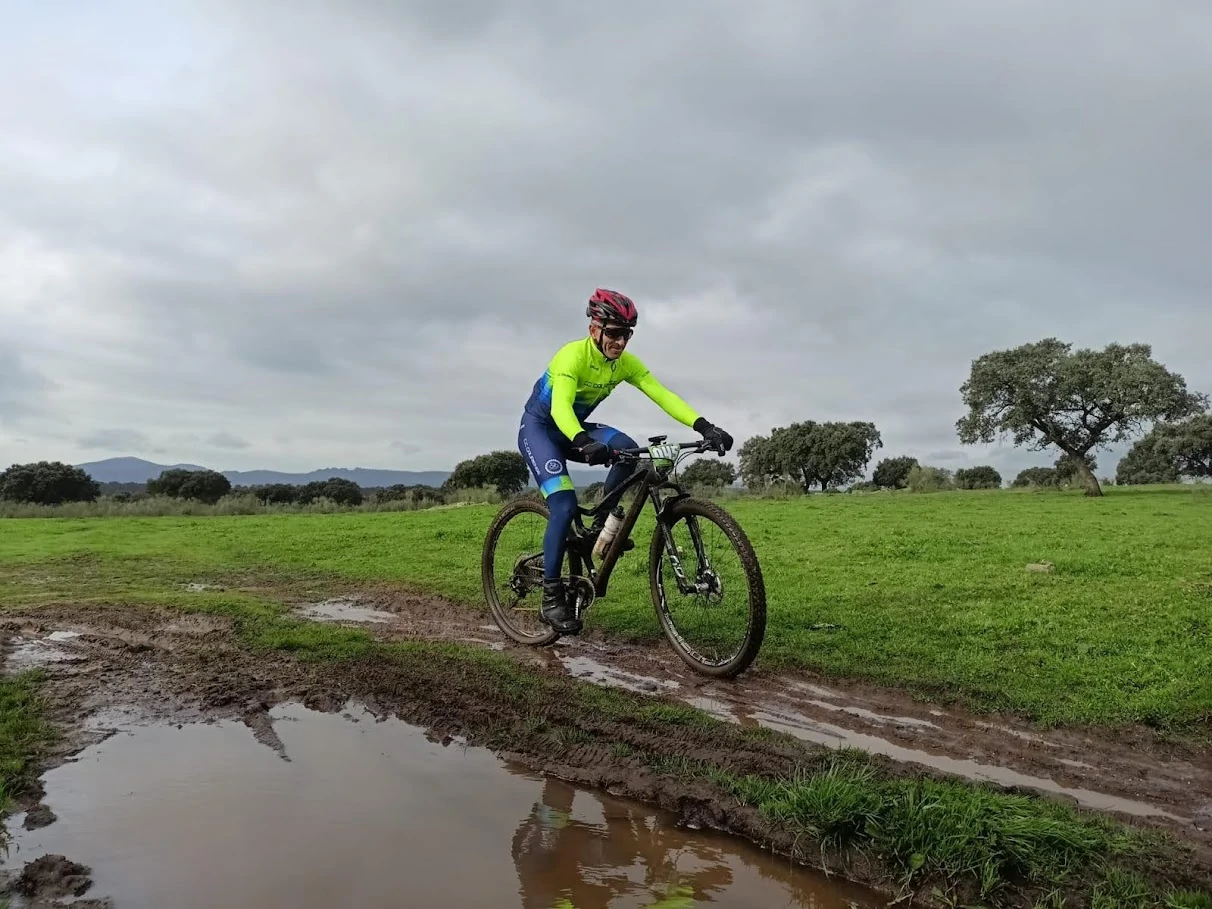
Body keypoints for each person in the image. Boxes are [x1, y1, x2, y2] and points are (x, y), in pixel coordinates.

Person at [517, 288, 733, 634]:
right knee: (563, 506)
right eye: (614, 333)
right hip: (541, 430)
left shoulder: (624, 364)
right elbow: (559, 409)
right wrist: (584, 441)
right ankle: (551, 598)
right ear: (594, 330)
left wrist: (704, 425)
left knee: (628, 451)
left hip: (576, 430)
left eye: (626, 334)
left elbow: (661, 393)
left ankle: (601, 528)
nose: (620, 342)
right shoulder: (571, 357)